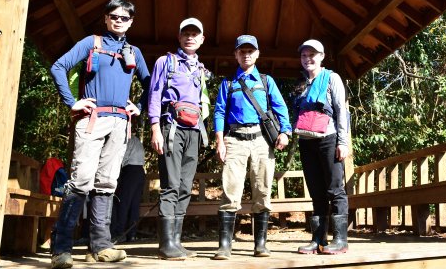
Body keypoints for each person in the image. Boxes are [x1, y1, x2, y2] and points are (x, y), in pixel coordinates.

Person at [49, 0, 150, 269]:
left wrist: (138, 106)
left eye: (124, 17)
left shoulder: (134, 51)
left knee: (107, 183)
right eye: (114, 16)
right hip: (92, 119)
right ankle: (61, 249)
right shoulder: (91, 43)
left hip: (120, 124)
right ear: (106, 18)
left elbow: (151, 83)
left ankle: (100, 246)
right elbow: (58, 66)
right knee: (81, 180)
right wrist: (73, 102)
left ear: (131, 21)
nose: (119, 21)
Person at [212, 35, 292, 260]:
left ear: (257, 54)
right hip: (234, 140)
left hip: (261, 141)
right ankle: (224, 246)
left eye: (250, 51)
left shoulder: (266, 81)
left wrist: (285, 132)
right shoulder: (227, 83)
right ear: (236, 54)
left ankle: (261, 245)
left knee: (263, 190)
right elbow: (219, 112)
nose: (246, 54)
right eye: (242, 51)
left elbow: (280, 107)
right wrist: (220, 141)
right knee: (230, 190)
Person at [148, 18, 210, 260]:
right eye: (186, 33)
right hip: (171, 128)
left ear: (202, 39)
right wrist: (155, 129)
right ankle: (166, 244)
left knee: (185, 186)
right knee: (171, 185)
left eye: (195, 34)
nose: (190, 37)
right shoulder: (166, 62)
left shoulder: (200, 68)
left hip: (194, 131)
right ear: (179, 36)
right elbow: (154, 95)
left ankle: (176, 241)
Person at [294, 39, 350, 255]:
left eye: (312, 55)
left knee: (335, 189)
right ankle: (318, 240)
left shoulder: (331, 78)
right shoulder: (300, 83)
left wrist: (343, 142)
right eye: (304, 55)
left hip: (329, 138)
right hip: (306, 141)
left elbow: (340, 111)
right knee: (316, 192)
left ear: (322, 56)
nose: (308, 59)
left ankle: (340, 240)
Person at [111, 135, 146, 243]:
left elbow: (122, 157)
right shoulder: (136, 140)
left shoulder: (126, 138)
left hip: (130, 170)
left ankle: (119, 233)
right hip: (140, 171)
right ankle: (132, 233)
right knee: (134, 204)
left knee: (123, 202)